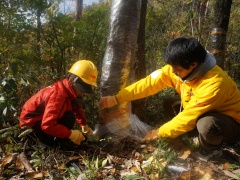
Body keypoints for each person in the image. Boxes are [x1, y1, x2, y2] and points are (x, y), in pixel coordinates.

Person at [100, 36, 240, 161]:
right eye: (172, 67)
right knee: (169, 102)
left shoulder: (215, 83)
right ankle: (193, 135)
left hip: (231, 121)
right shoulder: (179, 67)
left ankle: (212, 151)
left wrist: (159, 132)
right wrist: (117, 98)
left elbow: (188, 117)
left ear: (193, 65)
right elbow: (149, 84)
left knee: (206, 124)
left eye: (177, 69)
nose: (173, 72)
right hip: (203, 108)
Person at [20, 60, 98, 147]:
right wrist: (70, 134)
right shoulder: (58, 95)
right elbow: (47, 125)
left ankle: (58, 141)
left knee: (69, 116)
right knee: (69, 118)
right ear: (72, 81)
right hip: (31, 127)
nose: (81, 93)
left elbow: (76, 107)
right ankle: (44, 144)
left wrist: (84, 125)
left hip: (42, 122)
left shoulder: (69, 91)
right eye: (81, 89)